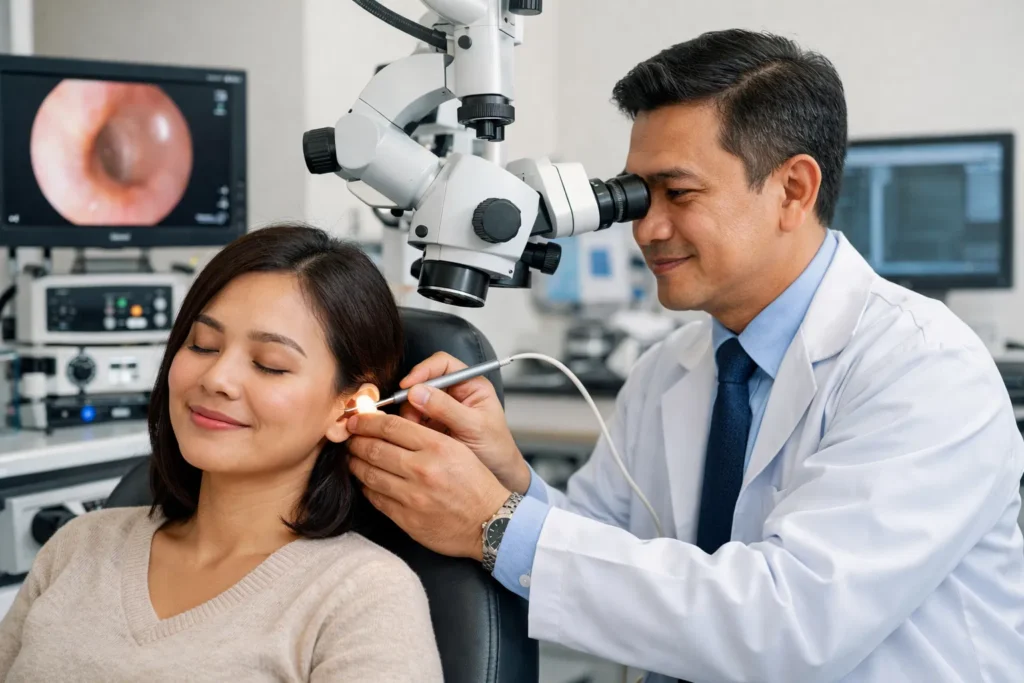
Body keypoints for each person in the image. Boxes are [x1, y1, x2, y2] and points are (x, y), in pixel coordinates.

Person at [345, 29, 1024, 682]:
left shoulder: (925, 369)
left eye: (679, 193)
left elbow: (790, 624)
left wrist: (491, 524)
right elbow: (612, 543)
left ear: (794, 189)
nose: (646, 227)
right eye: (638, 194)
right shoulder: (674, 365)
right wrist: (511, 479)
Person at [0, 224, 444, 682]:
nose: (216, 378)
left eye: (269, 364)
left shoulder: (363, 596)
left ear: (347, 408)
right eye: (202, 345)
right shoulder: (78, 547)